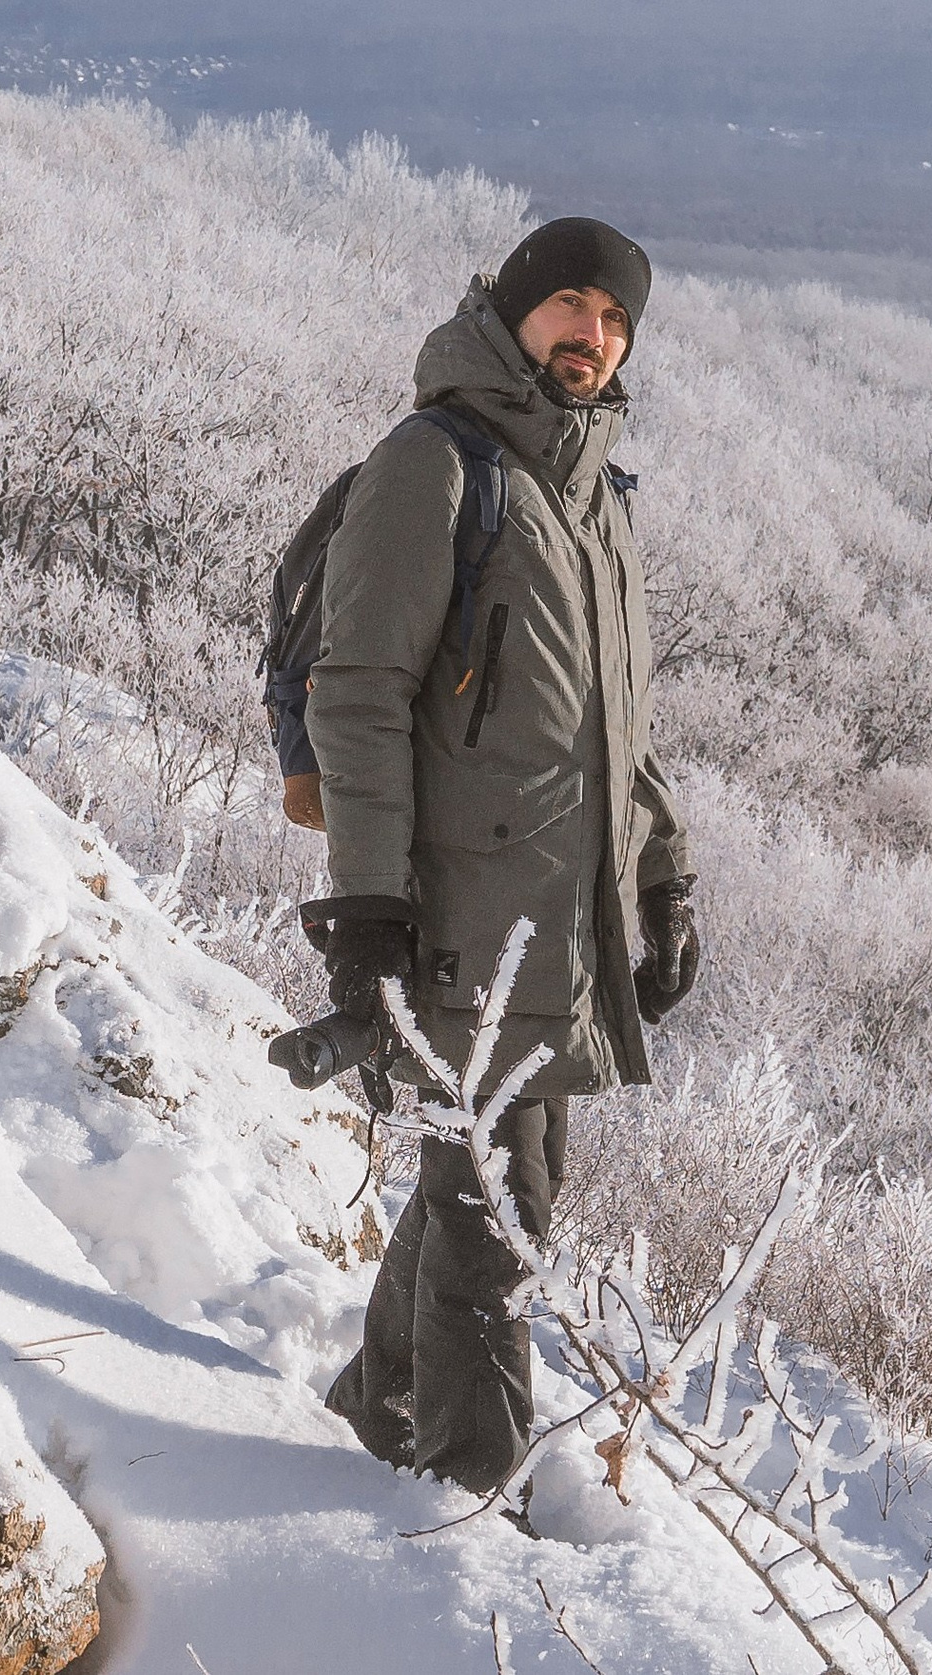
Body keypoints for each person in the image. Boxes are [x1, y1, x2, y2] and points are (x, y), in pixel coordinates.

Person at [307, 218, 700, 1501]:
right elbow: (356, 694)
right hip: (461, 917)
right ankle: (462, 1503)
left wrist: (660, 879)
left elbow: (614, 731)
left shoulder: (589, 497)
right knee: (500, 1213)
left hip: (557, 922)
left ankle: (381, 1413)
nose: (594, 338)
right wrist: (365, 908)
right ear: (516, 310)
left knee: (479, 1182)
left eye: (618, 321)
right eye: (573, 307)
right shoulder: (435, 466)